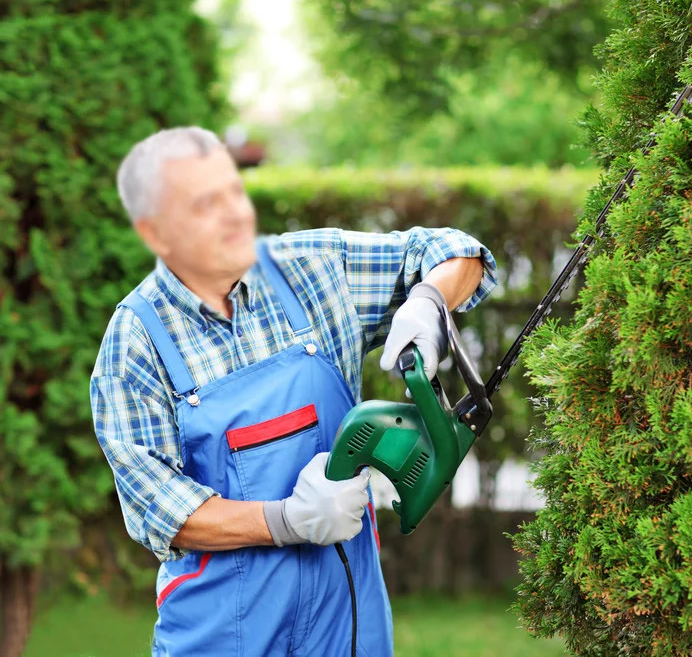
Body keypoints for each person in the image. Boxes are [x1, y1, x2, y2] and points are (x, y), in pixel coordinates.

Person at [89, 127, 498, 657]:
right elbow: (160, 508)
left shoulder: (314, 270)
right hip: (222, 636)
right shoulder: (135, 343)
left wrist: (427, 300)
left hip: (345, 625)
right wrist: (286, 520)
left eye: (233, 191)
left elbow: (459, 252)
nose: (235, 215)